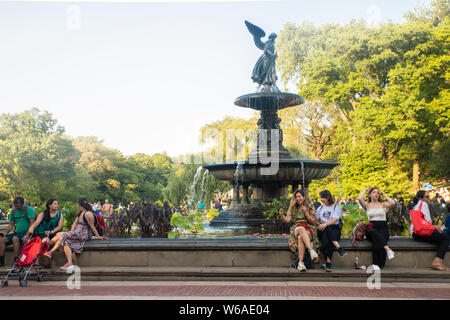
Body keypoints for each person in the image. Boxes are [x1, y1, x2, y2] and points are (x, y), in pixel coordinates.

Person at [44, 197, 107, 270]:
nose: (77, 205)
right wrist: (71, 232)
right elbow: (74, 224)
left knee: (63, 234)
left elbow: (92, 227)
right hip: (77, 232)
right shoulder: (81, 212)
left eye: (78, 204)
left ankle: (51, 252)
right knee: (66, 242)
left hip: (83, 233)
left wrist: (98, 236)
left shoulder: (88, 213)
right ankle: (70, 263)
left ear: (81, 204)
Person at [409, 190, 449, 271]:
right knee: (446, 238)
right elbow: (426, 223)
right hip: (420, 232)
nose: (429, 198)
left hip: (415, 232)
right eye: (427, 197)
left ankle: (439, 261)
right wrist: (436, 227)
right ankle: (437, 262)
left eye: (429, 196)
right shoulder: (423, 204)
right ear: (421, 198)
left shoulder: (417, 205)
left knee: (441, 240)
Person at [279, 189, 318, 271]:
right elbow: (287, 220)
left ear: (304, 197)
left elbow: (313, 221)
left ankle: (300, 263)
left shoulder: (310, 206)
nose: (298, 199)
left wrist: (306, 213)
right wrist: (282, 215)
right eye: (296, 197)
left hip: (308, 228)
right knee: (300, 229)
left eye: (299, 197)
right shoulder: (292, 207)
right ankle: (311, 251)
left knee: (301, 238)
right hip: (297, 227)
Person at [357, 186, 396, 269]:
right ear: (370, 195)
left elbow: (392, 203)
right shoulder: (367, 205)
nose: (376, 194)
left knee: (377, 241)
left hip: (383, 227)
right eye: (374, 192)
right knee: (372, 232)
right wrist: (366, 189)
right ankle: (388, 249)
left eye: (377, 192)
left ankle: (377, 265)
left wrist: (384, 194)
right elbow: (360, 198)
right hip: (371, 227)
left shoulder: (383, 204)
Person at [314, 190, 346, 272]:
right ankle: (338, 247)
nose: (321, 199)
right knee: (326, 230)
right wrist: (320, 224)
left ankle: (328, 262)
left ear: (327, 197)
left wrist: (325, 224)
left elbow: (334, 220)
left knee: (327, 234)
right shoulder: (320, 208)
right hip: (322, 229)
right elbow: (316, 220)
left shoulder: (336, 208)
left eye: (322, 197)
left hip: (334, 229)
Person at [0, 197, 36, 267]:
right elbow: (11, 224)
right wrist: (5, 232)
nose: (17, 208)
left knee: (15, 238)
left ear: (22, 204)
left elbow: (32, 223)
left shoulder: (28, 209)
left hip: (26, 231)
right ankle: (1, 262)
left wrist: (27, 235)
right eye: (15, 206)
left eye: (18, 206)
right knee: (2, 240)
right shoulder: (13, 211)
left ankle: (16, 260)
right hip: (17, 232)